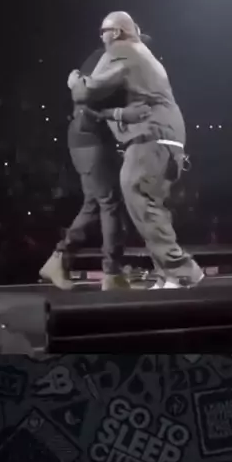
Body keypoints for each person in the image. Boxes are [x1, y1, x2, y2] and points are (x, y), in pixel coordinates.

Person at [69, 11, 204, 290]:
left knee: (138, 192)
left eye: (103, 32)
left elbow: (85, 92)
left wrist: (74, 80)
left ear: (117, 32)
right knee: (148, 205)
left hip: (152, 136)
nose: (102, 38)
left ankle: (182, 271)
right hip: (164, 137)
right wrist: (115, 113)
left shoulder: (123, 49)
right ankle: (167, 274)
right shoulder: (141, 54)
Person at [39, 47, 149, 291]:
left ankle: (59, 259)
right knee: (110, 203)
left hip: (89, 137)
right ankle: (112, 272)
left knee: (94, 203)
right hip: (90, 139)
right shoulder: (115, 60)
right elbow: (83, 95)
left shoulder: (109, 60)